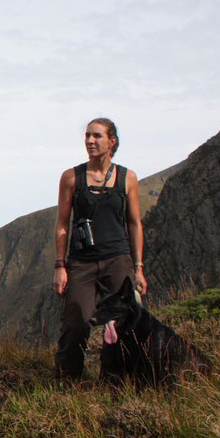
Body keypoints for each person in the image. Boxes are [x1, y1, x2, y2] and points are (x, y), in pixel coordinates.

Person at [53, 118, 147, 381]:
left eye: (97, 136)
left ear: (112, 141)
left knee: (128, 321)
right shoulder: (72, 177)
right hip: (81, 262)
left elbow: (134, 224)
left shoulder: (127, 178)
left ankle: (122, 380)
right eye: (87, 136)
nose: (90, 141)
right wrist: (60, 266)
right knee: (76, 323)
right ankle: (67, 383)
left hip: (117, 259)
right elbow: (62, 225)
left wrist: (138, 268)